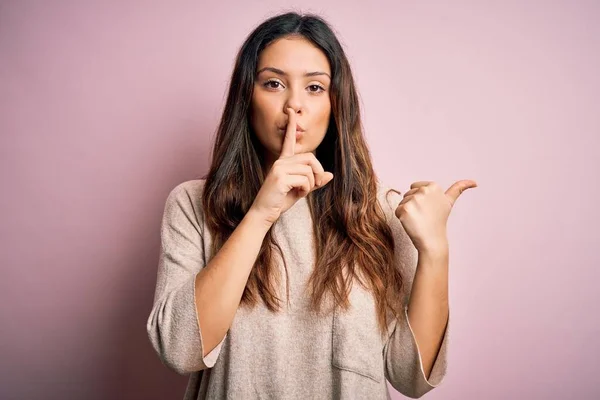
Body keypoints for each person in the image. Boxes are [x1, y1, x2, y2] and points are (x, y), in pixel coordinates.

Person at [147, 11, 477, 400]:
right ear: (246, 98)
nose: (294, 106)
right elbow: (181, 349)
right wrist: (261, 214)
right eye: (273, 84)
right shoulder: (192, 205)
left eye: (315, 88)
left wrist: (435, 250)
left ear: (337, 103)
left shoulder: (381, 212)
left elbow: (411, 377)